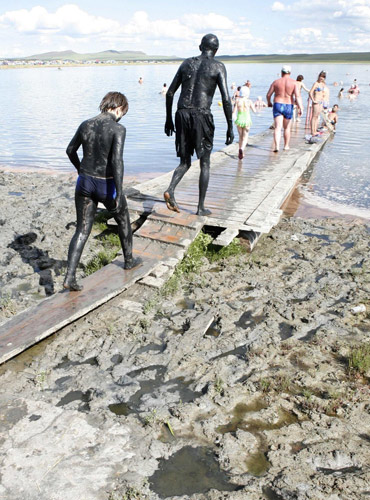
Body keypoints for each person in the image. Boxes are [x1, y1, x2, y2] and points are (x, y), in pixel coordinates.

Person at [63, 91, 141, 291]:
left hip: (85, 182)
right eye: (123, 112)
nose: (122, 115)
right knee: (123, 218)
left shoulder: (86, 124)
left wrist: (79, 168)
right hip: (105, 184)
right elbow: (116, 162)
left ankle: (70, 277)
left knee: (82, 229)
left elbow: (70, 150)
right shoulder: (118, 128)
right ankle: (129, 260)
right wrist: (119, 191)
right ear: (118, 108)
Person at [163, 33, 234, 216]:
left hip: (182, 113)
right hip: (201, 115)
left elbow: (170, 93)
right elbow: (226, 99)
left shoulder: (187, 63)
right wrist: (230, 126)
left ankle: (171, 189)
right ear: (216, 50)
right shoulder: (218, 66)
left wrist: (169, 119)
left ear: (200, 47)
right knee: (205, 163)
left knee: (185, 161)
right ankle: (200, 207)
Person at [266, 65, 303, 152]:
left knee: (277, 127)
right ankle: (286, 146)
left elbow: (268, 95)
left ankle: (277, 146)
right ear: (290, 73)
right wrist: (300, 107)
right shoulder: (294, 83)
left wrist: (269, 102)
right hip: (288, 104)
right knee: (287, 128)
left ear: (281, 72)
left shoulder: (276, 82)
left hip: (278, 104)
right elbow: (297, 96)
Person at [233, 86, 256, 159]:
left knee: (240, 136)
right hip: (247, 120)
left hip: (239, 119)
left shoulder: (237, 101)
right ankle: (242, 149)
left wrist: (234, 118)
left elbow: (234, 112)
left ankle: (240, 152)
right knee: (245, 137)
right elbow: (254, 111)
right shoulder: (249, 101)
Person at [309, 70, 329, 137]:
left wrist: (325, 100)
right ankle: (312, 131)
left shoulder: (323, 84)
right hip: (316, 101)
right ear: (319, 76)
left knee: (317, 117)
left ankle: (315, 130)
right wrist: (313, 100)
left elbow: (325, 93)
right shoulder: (316, 84)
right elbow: (310, 92)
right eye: (321, 76)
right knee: (314, 117)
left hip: (321, 102)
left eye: (323, 77)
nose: (322, 78)